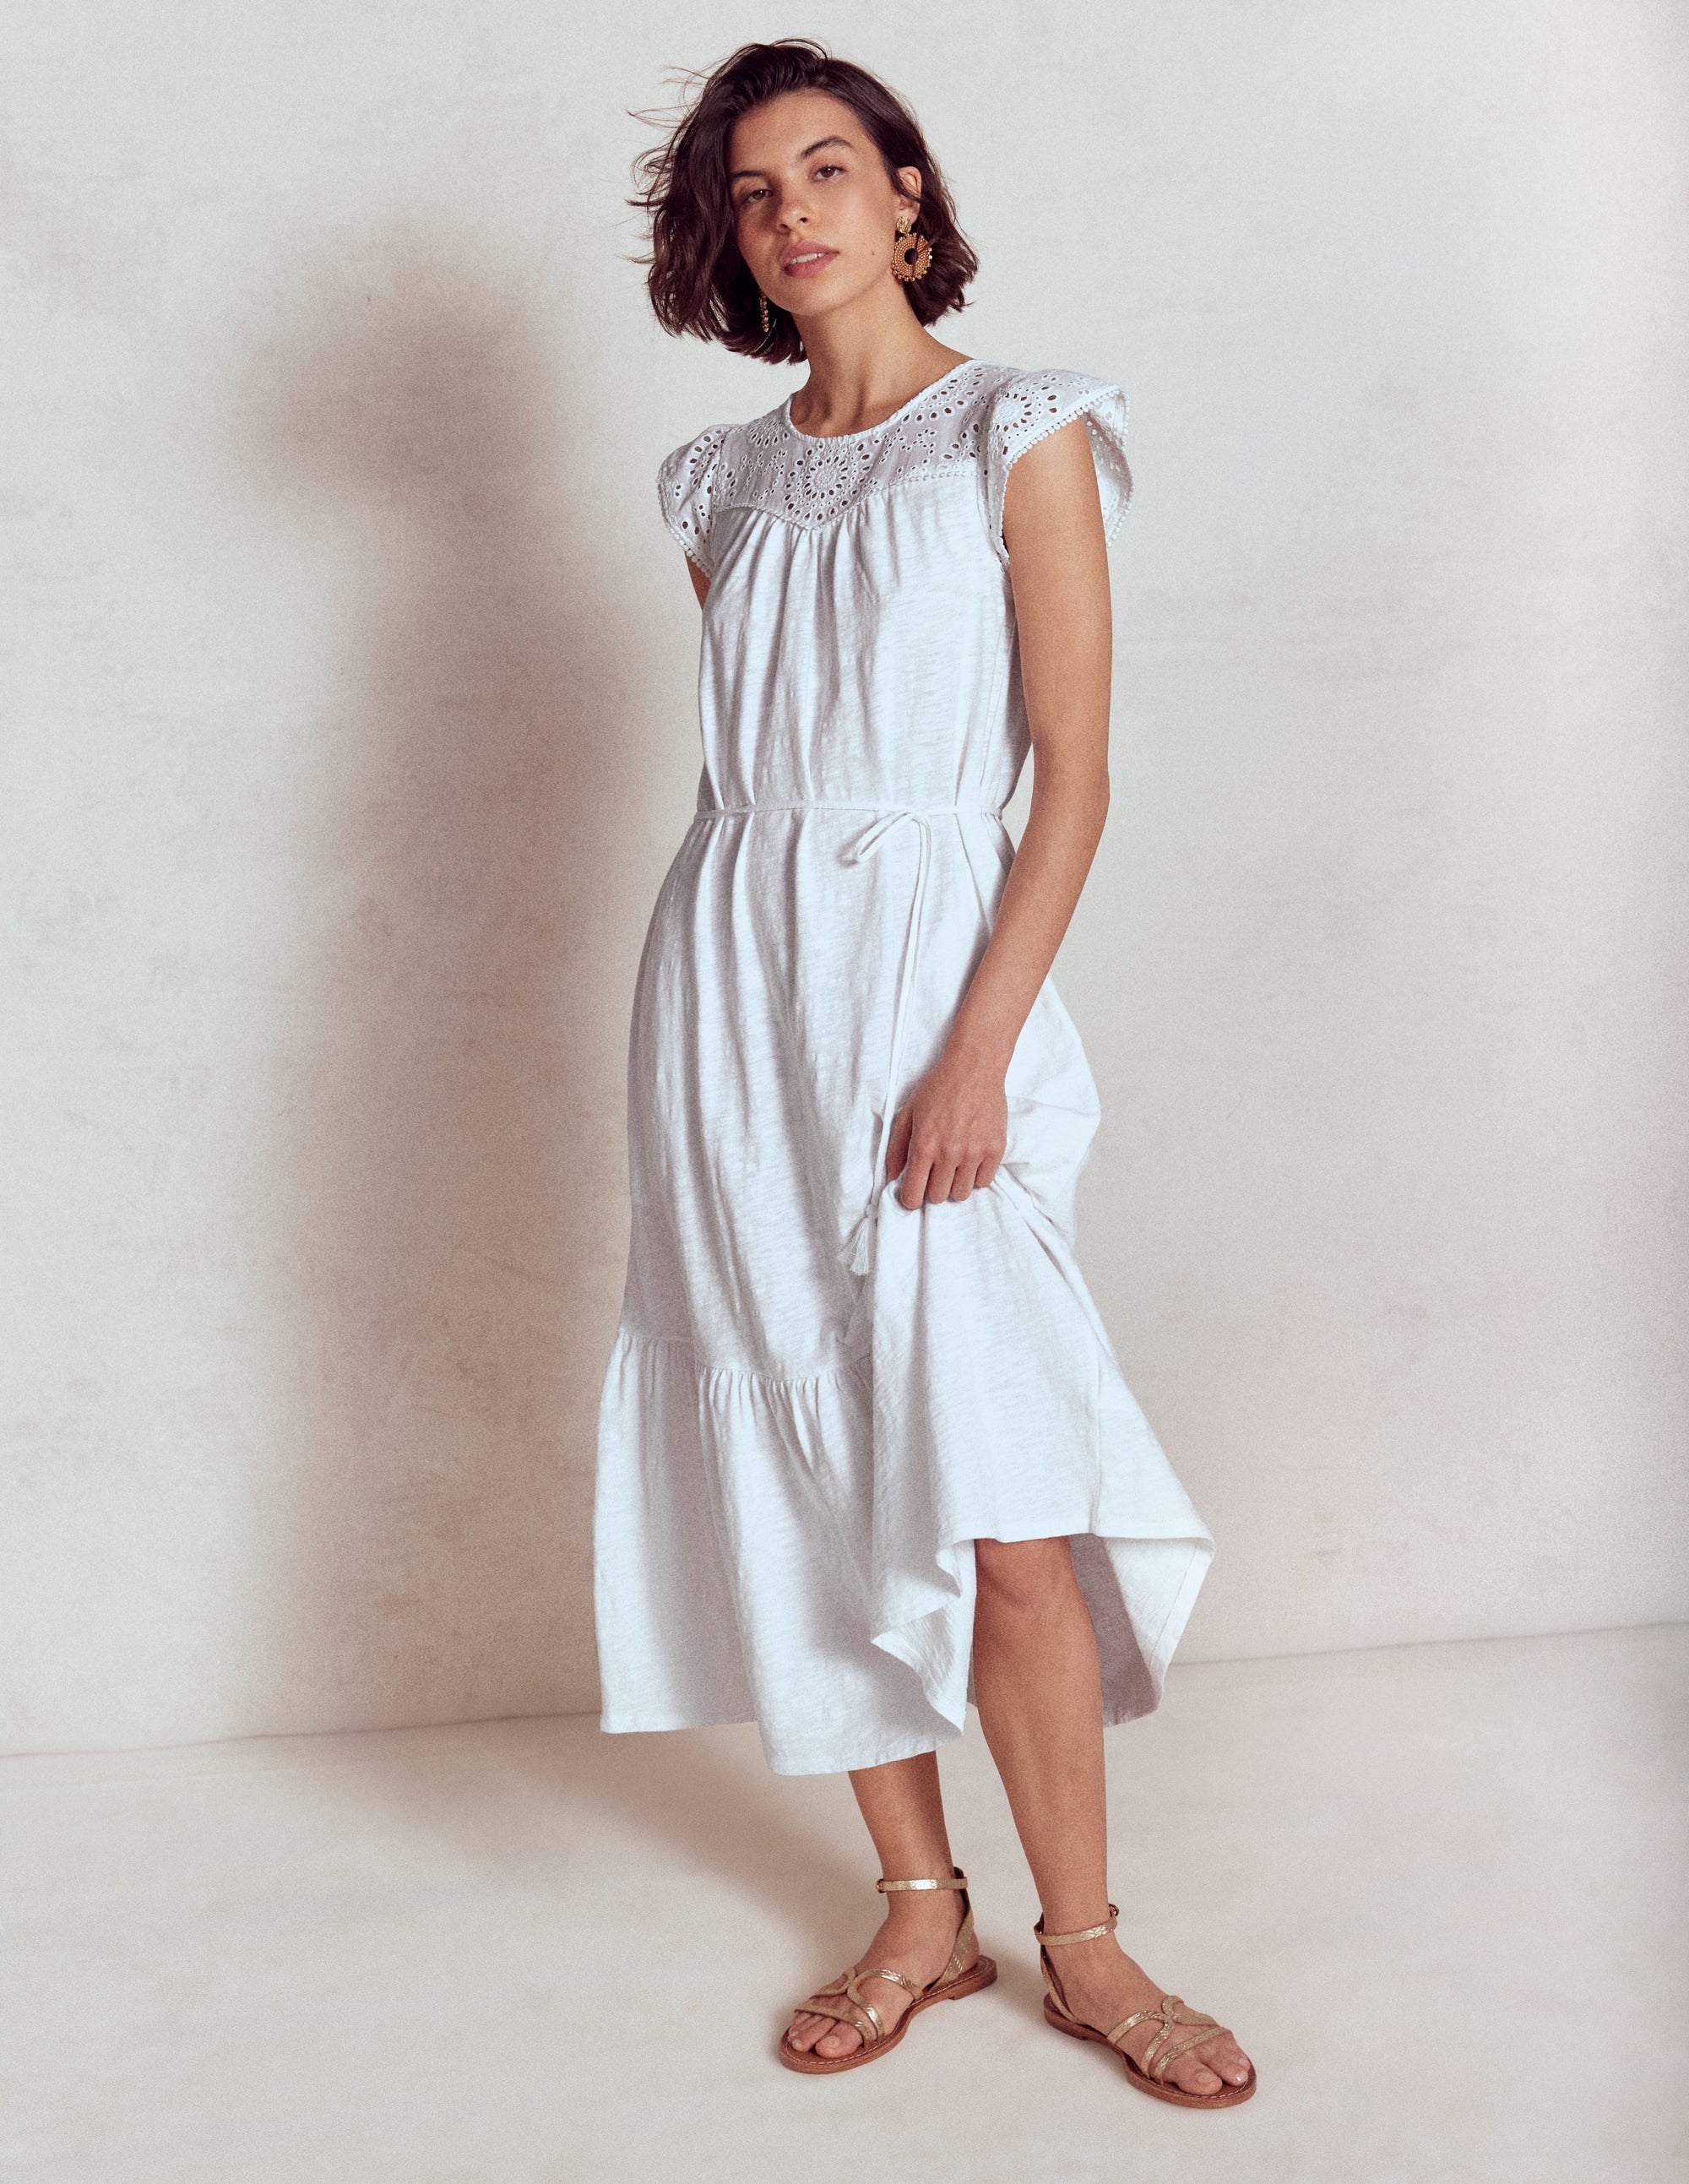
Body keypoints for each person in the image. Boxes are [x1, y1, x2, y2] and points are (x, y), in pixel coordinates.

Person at [594, 38, 1255, 2106]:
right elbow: (755, 784)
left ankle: (1091, 1945)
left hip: (929, 988)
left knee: (1001, 1497)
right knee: (786, 1449)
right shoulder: (714, 479)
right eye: (754, 189)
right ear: (731, 238)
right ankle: (914, 1908)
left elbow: (1071, 775)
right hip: (728, 999)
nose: (793, 212)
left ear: (903, 195)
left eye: (829, 169)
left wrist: (975, 1048)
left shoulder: (1021, 426)